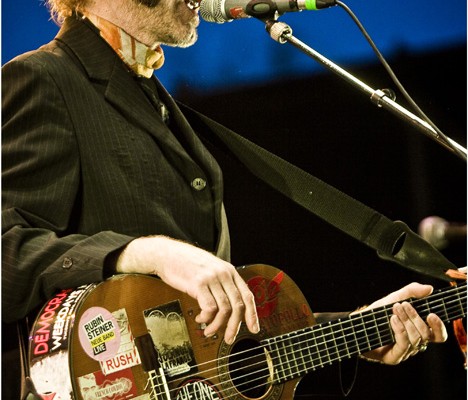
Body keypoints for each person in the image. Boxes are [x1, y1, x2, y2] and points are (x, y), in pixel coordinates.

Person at [2, 0, 449, 399]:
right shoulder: (44, 78)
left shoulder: (151, 97)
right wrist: (147, 252)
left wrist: (357, 331)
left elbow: (200, 344)